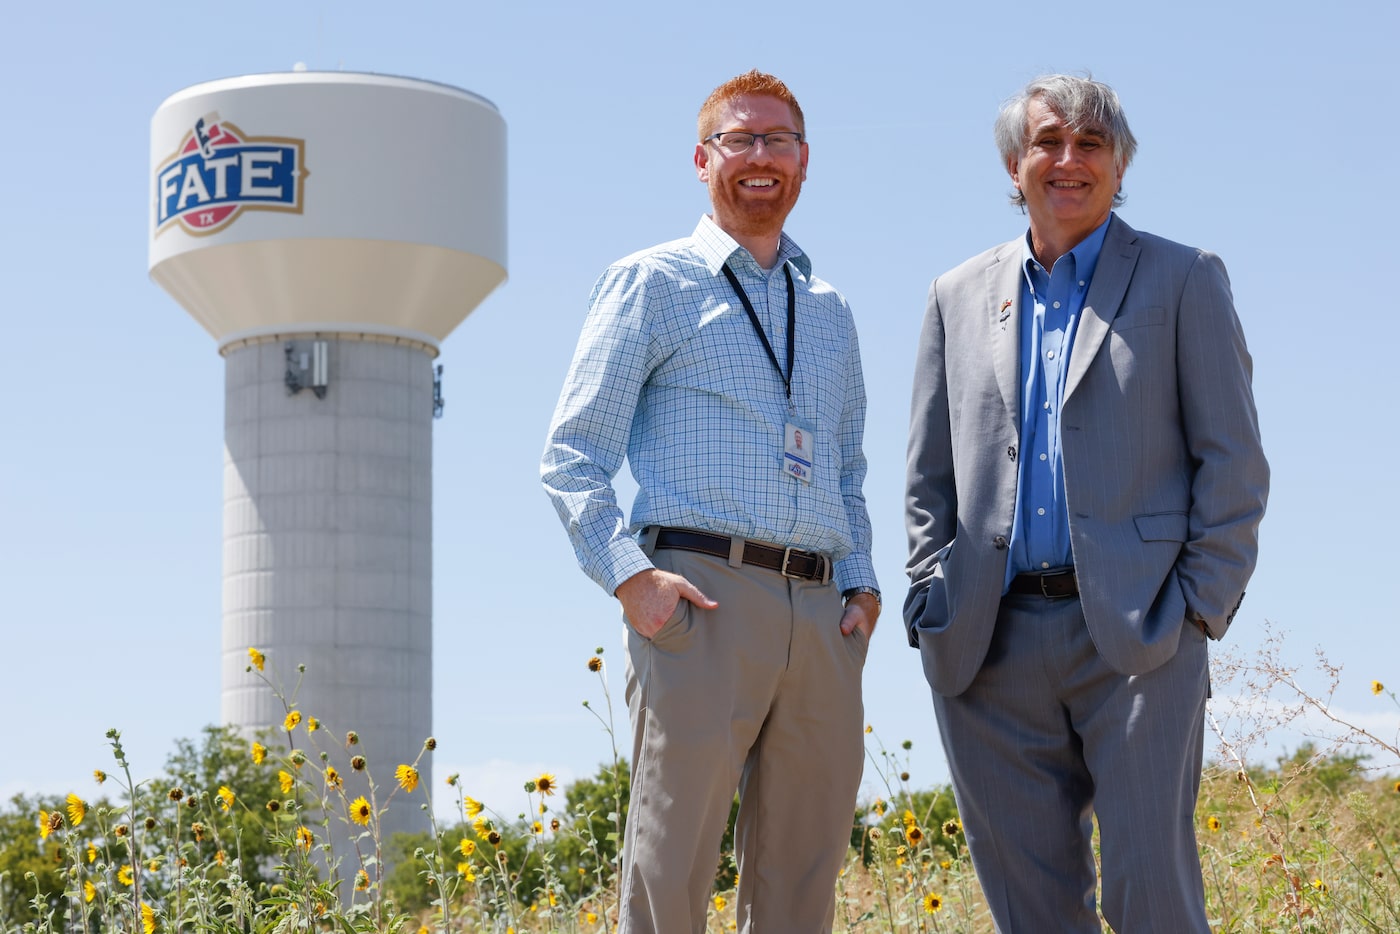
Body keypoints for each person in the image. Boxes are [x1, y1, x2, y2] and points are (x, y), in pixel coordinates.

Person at [903, 74, 1268, 933]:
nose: (1069, 161)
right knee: (1031, 914)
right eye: (1049, 142)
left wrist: (1197, 612)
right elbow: (928, 478)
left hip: (1140, 641)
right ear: (1014, 162)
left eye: (1091, 145)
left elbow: (1235, 464)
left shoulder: (1185, 279)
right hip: (985, 648)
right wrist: (931, 600)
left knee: (1155, 903)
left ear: (1120, 164)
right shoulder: (954, 295)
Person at [542, 70, 879, 934]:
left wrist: (863, 587)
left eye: (779, 140)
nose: (761, 157)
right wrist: (634, 583)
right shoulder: (650, 282)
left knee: (805, 868)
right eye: (741, 140)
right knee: (672, 860)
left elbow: (846, 470)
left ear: (805, 162)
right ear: (703, 159)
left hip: (823, 611)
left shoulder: (831, 311)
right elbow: (572, 456)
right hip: (700, 595)